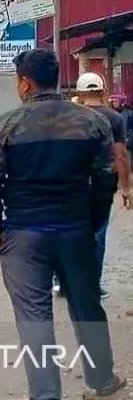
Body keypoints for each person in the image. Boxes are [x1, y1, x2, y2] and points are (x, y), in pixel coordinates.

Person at [0, 49, 126, 400]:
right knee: (87, 306)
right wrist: (91, 223)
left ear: (25, 83)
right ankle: (102, 380)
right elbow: (105, 178)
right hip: (75, 230)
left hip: (24, 235)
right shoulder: (92, 122)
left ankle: (46, 395)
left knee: (34, 317)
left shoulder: (6, 126)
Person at [62, 73, 131, 300]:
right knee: (98, 235)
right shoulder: (114, 117)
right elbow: (120, 155)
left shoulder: (70, 116)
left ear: (80, 95)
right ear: (102, 91)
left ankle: (64, 283)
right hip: (102, 185)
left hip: (73, 185)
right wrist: (126, 188)